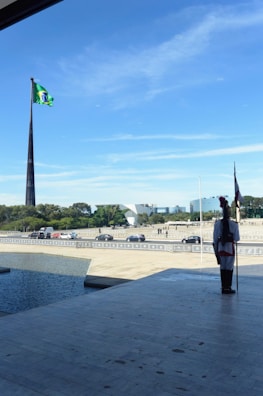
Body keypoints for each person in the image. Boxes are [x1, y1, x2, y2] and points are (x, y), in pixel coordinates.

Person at [213, 196, 240, 294]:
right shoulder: (234, 224)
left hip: (221, 248)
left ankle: (223, 287)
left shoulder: (217, 224)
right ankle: (228, 287)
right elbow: (237, 239)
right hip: (229, 248)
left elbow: (215, 239)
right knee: (229, 268)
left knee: (222, 267)